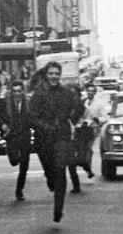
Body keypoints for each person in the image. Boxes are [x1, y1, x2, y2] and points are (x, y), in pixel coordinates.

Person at [29, 61, 85, 223]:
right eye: (51, 74)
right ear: (46, 75)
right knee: (50, 170)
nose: (54, 77)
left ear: (60, 75)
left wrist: (75, 114)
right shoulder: (38, 94)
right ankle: (49, 178)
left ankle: (58, 208)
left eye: (56, 74)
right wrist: (45, 127)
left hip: (62, 137)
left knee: (61, 170)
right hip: (44, 139)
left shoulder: (66, 92)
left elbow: (76, 110)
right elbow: (32, 116)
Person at [0, 79, 34, 201]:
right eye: (14, 91)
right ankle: (12, 155)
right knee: (14, 161)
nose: (17, 93)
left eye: (19, 91)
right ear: (11, 92)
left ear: (23, 91)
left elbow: (34, 118)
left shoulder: (29, 103)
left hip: (25, 136)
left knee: (24, 165)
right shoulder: (4, 103)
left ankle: (19, 190)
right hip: (11, 136)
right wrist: (2, 125)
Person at [73, 83, 101, 180]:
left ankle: (88, 169)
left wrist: (97, 120)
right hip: (79, 129)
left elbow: (104, 116)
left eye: (92, 91)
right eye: (89, 90)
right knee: (79, 150)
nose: (90, 92)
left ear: (95, 92)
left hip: (92, 129)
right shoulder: (82, 101)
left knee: (88, 149)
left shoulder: (99, 103)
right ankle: (86, 167)